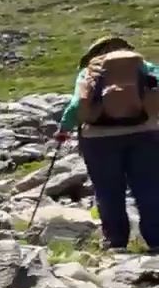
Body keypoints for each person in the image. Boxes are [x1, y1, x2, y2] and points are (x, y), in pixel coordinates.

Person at [54, 36, 159, 251]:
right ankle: (156, 239)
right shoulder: (144, 67)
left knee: (108, 190)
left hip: (99, 139)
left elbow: (76, 105)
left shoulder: (90, 71)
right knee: (148, 187)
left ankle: (116, 242)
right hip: (144, 134)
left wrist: (64, 129)